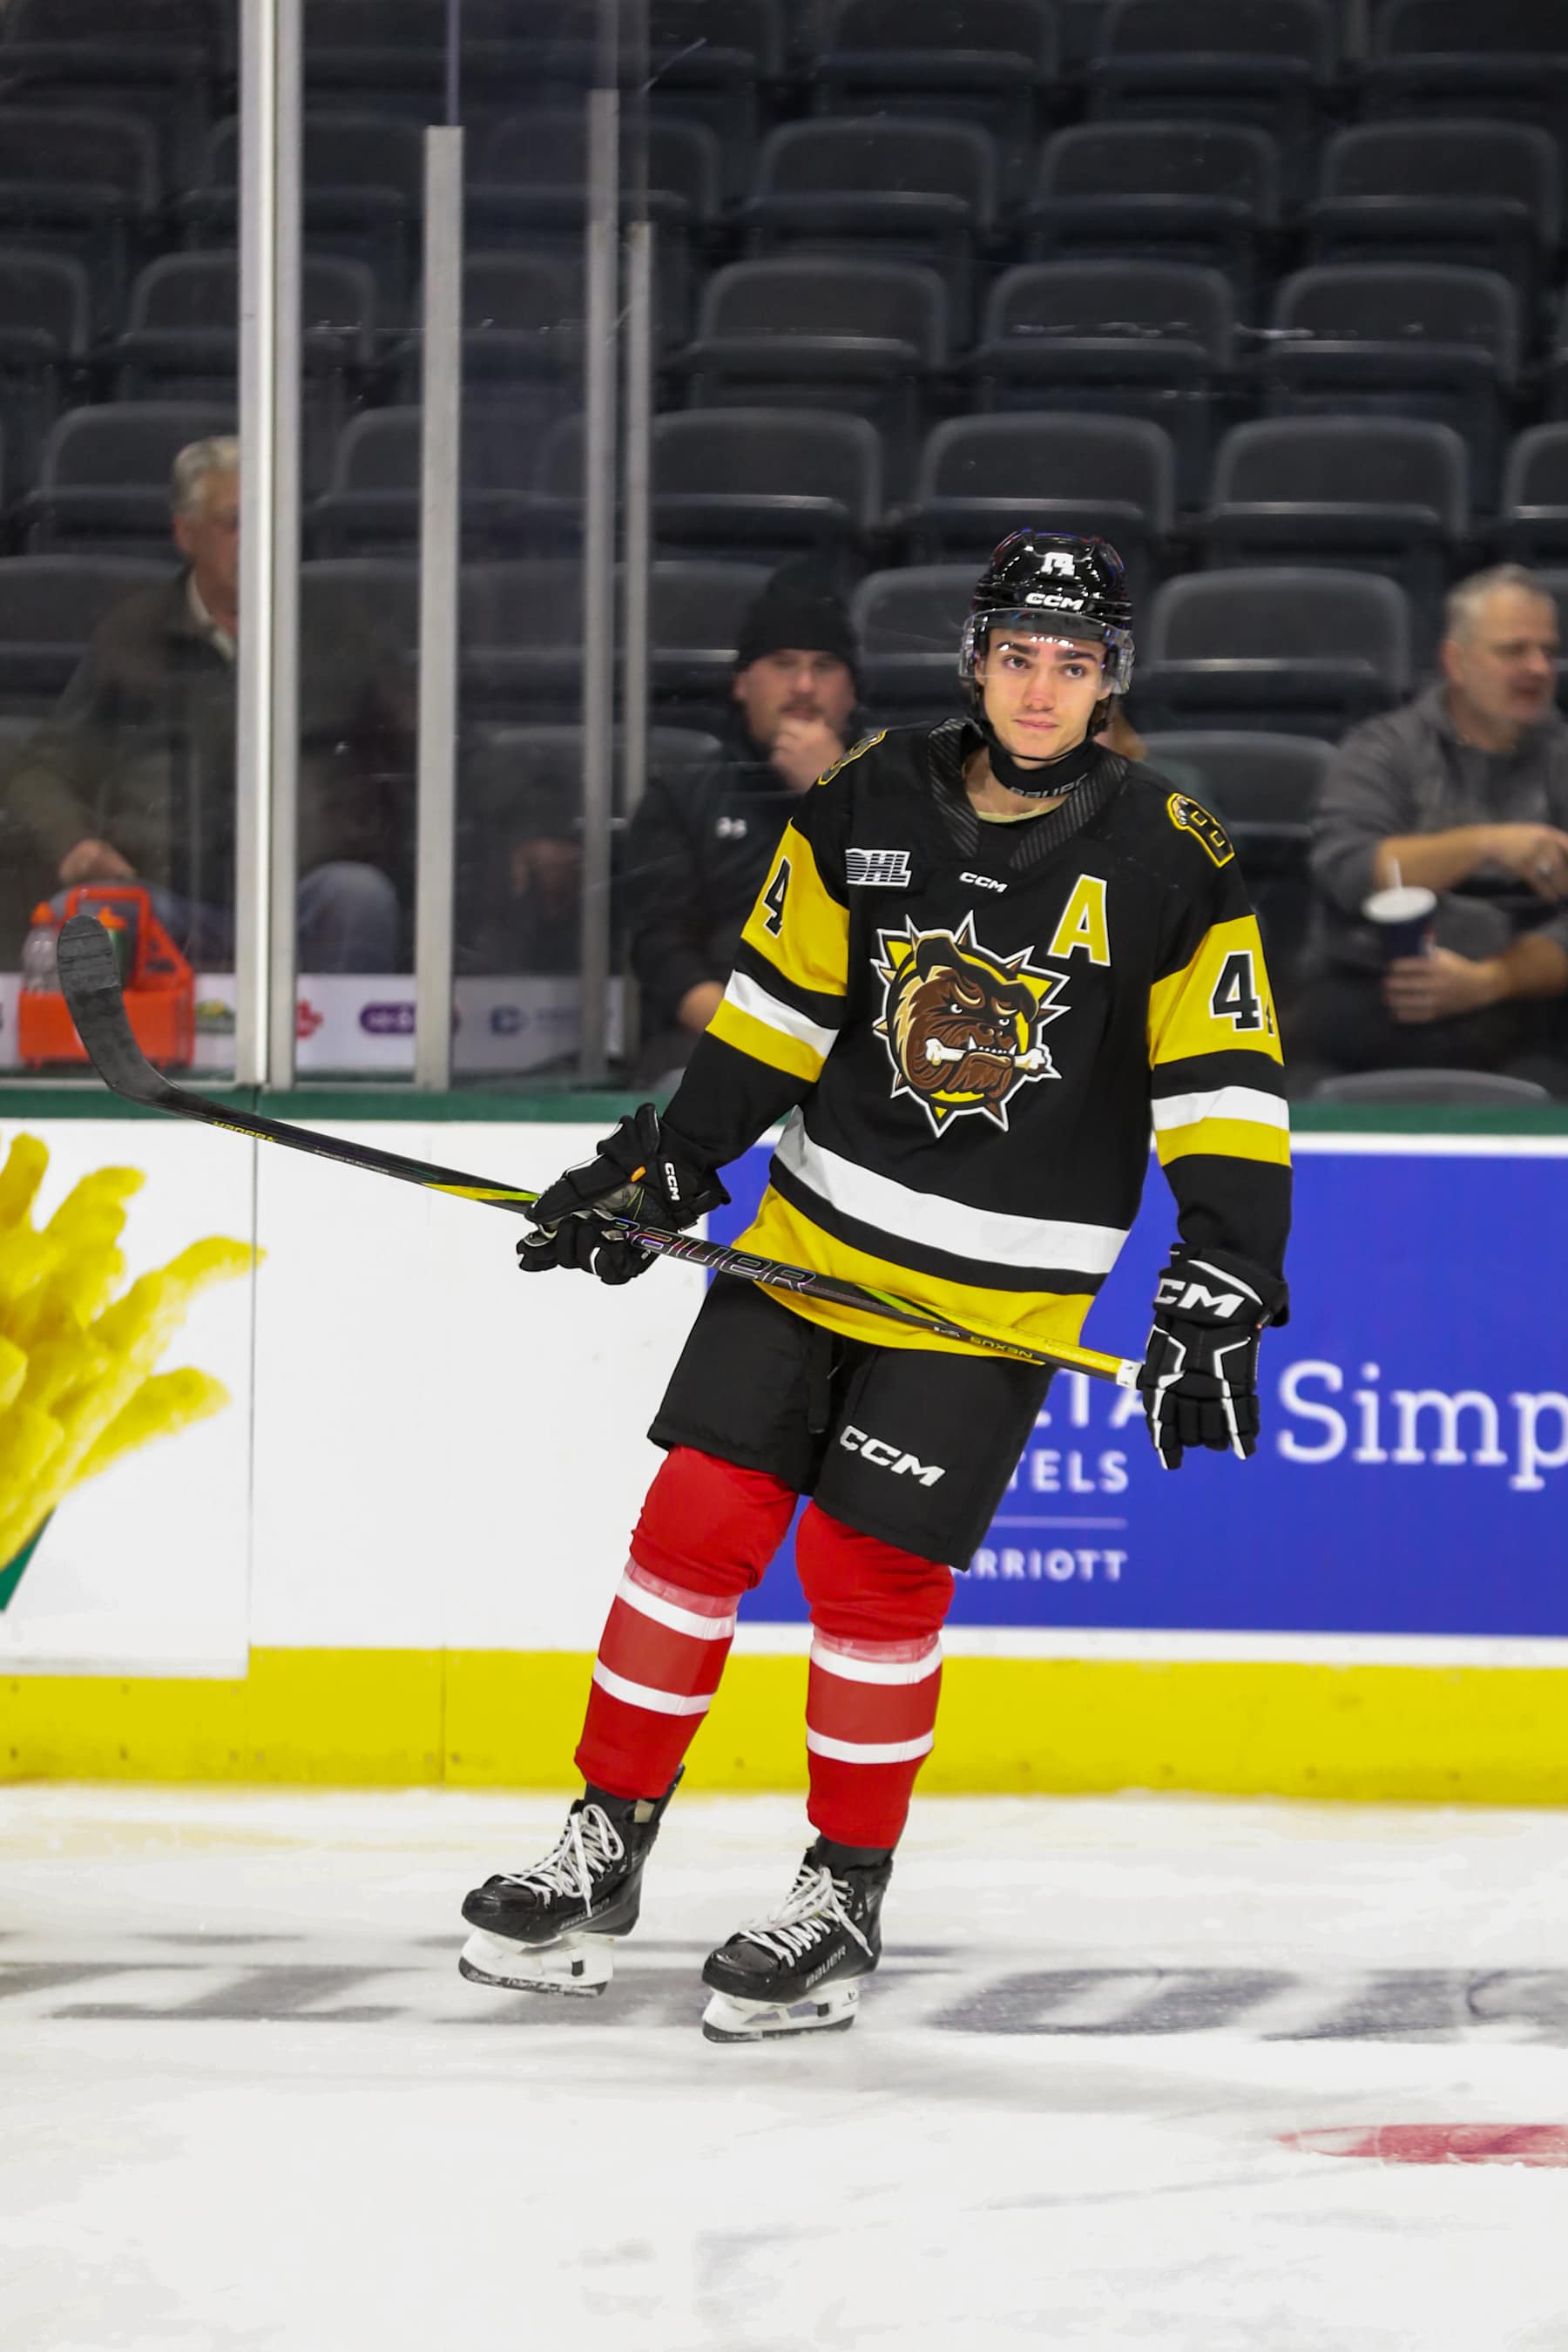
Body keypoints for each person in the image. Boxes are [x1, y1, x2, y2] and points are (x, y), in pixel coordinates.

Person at [460, 532, 1293, 2044]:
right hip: (811, 1239)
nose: (1044, 689)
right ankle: (605, 1845)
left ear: (1114, 683)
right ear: (976, 660)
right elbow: (776, 1012)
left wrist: (1225, 1268)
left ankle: (841, 1895)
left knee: (869, 1578)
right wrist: (670, 1163)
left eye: (1077, 664)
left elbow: (1226, 1088)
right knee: (695, 1527)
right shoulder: (867, 798)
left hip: (991, 1300)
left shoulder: (1176, 849)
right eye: (1021, 657)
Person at [3, 436, 414, 970]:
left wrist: (533, 823)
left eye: (270, 522)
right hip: (164, 900)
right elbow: (40, 769)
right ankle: (108, 1058)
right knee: (78, 920)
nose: (257, 542)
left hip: (311, 897)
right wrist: (74, 841)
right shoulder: (135, 634)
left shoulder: (344, 632)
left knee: (360, 898)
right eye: (236, 522)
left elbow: (435, 743)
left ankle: (340, 1056)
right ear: (186, 533)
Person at [1294, 564, 1568, 1093]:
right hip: (1373, 1007)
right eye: (1514, 651)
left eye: (1547, 651)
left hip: (1527, 1020)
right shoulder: (1382, 749)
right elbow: (1352, 869)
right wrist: (1490, 844)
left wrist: (1491, 982)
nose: (1537, 668)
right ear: (1455, 662)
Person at [625, 569, 865, 1083]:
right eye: (782, 665)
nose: (803, 686)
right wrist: (753, 1042)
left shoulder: (902, 789)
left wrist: (834, 790)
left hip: (867, 1045)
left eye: (823, 667)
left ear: (851, 691)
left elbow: (924, 922)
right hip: (720, 1044)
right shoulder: (683, 794)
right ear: (741, 682)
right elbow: (661, 949)